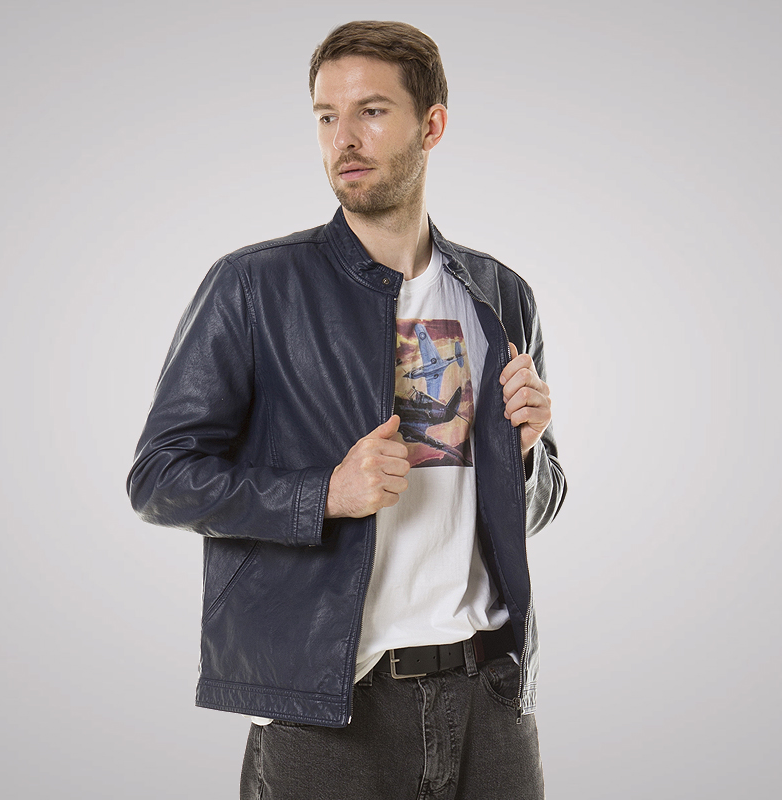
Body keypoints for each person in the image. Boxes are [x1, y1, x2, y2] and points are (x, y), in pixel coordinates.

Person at [127, 19, 567, 800]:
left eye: (372, 111)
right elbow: (160, 478)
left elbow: (537, 505)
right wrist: (323, 494)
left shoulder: (500, 295)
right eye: (327, 116)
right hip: (330, 714)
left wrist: (525, 454)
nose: (344, 139)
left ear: (432, 125)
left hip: (490, 703)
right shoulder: (254, 287)